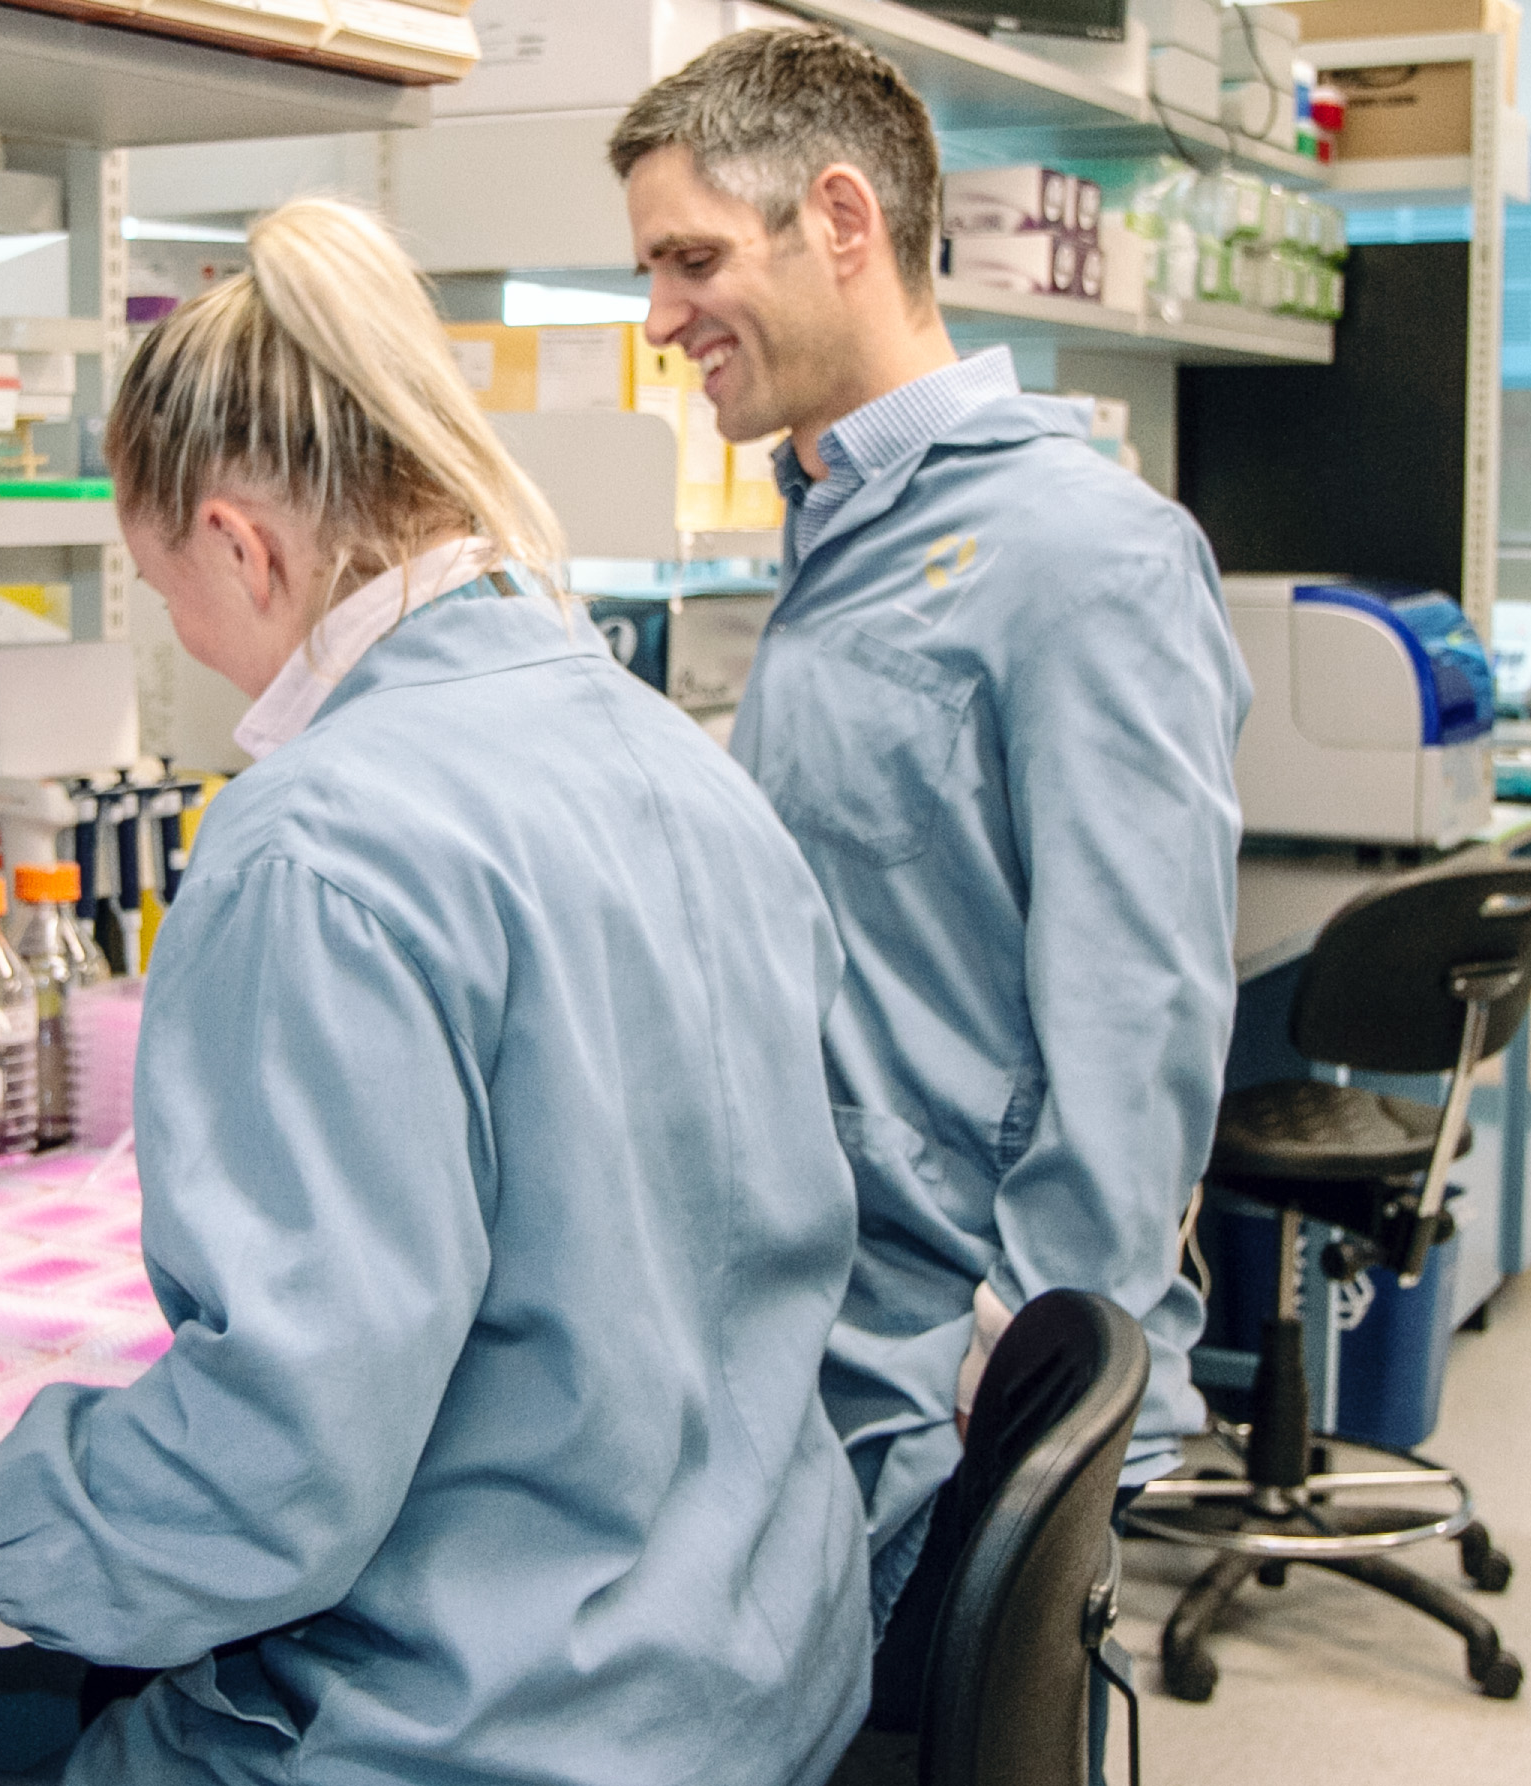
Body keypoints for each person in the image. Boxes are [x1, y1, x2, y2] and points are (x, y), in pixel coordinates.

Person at [0, 197, 872, 1785]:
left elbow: (275, 1464)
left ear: (239, 541)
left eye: (169, 596)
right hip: (755, 1679)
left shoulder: (319, 838)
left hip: (486, 1729)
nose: (199, 654)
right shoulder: (675, 758)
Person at [608, 26, 1249, 1720]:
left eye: (690, 259)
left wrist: (1021, 1388)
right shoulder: (838, 531)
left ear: (841, 219)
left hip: (941, 1405)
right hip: (817, 1361)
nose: (661, 317)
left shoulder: (1080, 555)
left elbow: (1142, 1018)